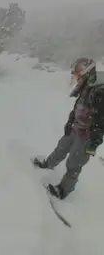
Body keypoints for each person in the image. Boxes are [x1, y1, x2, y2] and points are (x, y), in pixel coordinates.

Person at [33, 57, 104, 199]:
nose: (76, 76)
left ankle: (64, 190)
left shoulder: (99, 90)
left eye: (77, 73)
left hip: (86, 135)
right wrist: (70, 121)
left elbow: (101, 117)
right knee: (61, 147)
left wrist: (95, 137)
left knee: (75, 162)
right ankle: (48, 164)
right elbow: (79, 106)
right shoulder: (86, 86)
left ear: (85, 71)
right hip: (76, 127)